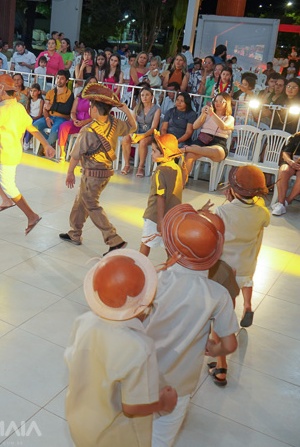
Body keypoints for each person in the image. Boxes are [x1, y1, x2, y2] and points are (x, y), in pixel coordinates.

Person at [146, 203, 238, 445]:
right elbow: (230, 344)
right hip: (179, 385)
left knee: (130, 429)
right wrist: (215, 348)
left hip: (141, 372)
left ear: (170, 247)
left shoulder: (155, 279)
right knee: (161, 438)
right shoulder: (218, 294)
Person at [65, 249, 178, 447]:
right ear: (146, 303)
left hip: (79, 425)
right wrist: (163, 403)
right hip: (114, 437)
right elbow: (133, 406)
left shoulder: (83, 321)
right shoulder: (140, 347)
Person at [202, 166, 269, 386]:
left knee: (221, 316)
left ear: (232, 189)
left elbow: (214, 230)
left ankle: (221, 366)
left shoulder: (223, 211)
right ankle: (247, 306)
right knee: (244, 287)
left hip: (224, 272)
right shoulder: (262, 212)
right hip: (245, 267)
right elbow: (260, 218)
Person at [0, 74, 55, 234]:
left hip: (6, 154)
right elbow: (31, 128)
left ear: (2, 91)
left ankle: (32, 216)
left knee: (9, 186)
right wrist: (46, 144)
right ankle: (6, 200)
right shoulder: (18, 106)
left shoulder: (2, 109)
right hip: (2, 151)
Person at [59, 83, 137, 253]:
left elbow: (75, 155)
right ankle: (74, 233)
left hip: (92, 175)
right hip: (105, 173)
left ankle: (114, 240)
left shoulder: (88, 130)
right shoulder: (115, 123)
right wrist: (125, 110)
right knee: (80, 202)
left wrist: (70, 172)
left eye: (90, 106)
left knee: (91, 205)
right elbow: (133, 126)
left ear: (94, 109)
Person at [139, 134, 185, 256]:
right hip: (172, 217)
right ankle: (172, 266)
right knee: (169, 248)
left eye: (154, 151)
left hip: (155, 216)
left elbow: (160, 197)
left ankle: (139, 265)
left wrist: (160, 221)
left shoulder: (160, 171)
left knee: (145, 243)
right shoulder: (176, 168)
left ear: (164, 153)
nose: (151, 154)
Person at [183, 92, 235, 178]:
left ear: (227, 103)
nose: (217, 103)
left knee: (218, 151)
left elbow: (223, 126)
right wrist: (203, 114)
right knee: (189, 156)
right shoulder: (208, 114)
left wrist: (212, 114)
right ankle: (181, 181)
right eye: (216, 101)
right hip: (202, 140)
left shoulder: (230, 118)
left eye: (220, 101)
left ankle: (188, 148)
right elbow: (195, 126)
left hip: (218, 143)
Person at [121, 86, 161, 177]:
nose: (144, 97)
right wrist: (132, 134)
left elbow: (153, 128)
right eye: (142, 95)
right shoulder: (137, 107)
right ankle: (127, 165)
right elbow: (131, 123)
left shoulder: (157, 109)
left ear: (152, 96)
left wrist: (142, 136)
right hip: (137, 132)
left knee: (143, 142)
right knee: (125, 138)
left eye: (147, 95)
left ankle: (141, 167)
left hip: (149, 134)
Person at [33, 70, 74, 150]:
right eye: (58, 78)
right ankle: (49, 144)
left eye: (62, 78)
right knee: (34, 126)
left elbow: (66, 110)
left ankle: (45, 148)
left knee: (55, 131)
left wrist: (52, 107)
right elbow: (45, 108)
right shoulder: (50, 92)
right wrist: (47, 118)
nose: (59, 80)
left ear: (66, 81)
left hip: (62, 119)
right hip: (50, 116)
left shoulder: (70, 94)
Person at [57, 76, 96, 159]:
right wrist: (75, 120)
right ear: (86, 84)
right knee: (63, 126)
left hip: (90, 124)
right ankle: (62, 152)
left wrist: (85, 122)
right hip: (78, 122)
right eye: (90, 82)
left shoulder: (97, 99)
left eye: (94, 83)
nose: (92, 84)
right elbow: (73, 112)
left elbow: (96, 117)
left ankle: (83, 156)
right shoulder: (79, 97)